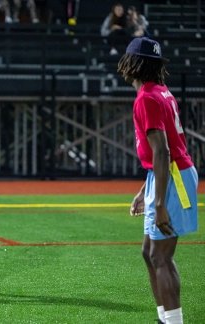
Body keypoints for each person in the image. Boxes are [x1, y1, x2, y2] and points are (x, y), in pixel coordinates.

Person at [118, 37, 198, 324]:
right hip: (167, 173)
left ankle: (173, 321)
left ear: (132, 64)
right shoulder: (160, 92)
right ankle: (165, 317)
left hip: (173, 176)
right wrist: (145, 190)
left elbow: (163, 151)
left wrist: (160, 202)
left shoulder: (147, 99)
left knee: (161, 256)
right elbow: (161, 153)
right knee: (149, 252)